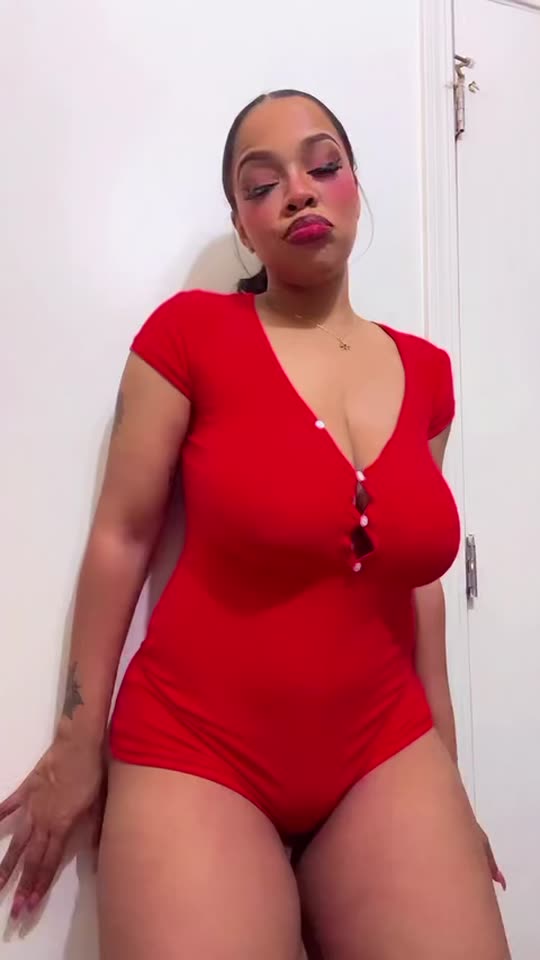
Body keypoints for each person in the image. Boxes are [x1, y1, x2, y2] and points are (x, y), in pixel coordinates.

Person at [0, 89, 510, 960]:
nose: (298, 192)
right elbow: (121, 539)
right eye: (262, 184)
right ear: (242, 223)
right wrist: (76, 744)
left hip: (383, 747)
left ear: (355, 186)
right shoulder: (189, 335)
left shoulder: (429, 373)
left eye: (322, 166)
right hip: (198, 750)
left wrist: (449, 782)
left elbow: (414, 582)